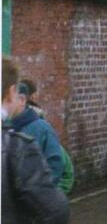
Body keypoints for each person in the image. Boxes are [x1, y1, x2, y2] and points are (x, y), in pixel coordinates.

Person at [2, 57, 70, 224]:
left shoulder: (40, 128)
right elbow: (55, 211)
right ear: (11, 93)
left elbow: (56, 163)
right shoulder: (17, 147)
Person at [11, 82, 65, 185]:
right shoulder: (5, 127)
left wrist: (38, 188)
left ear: (22, 100)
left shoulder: (42, 128)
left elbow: (55, 164)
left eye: (8, 99)